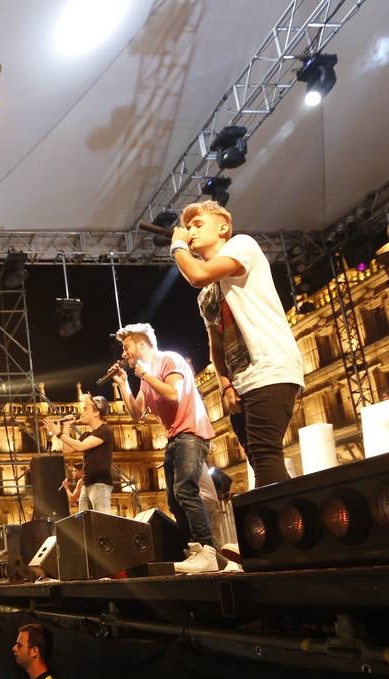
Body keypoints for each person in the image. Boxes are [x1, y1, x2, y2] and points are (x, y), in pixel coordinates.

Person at [169, 200, 304, 487]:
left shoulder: (243, 245)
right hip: (241, 380)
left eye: (198, 224)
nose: (190, 230)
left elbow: (196, 274)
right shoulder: (206, 295)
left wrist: (177, 248)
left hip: (270, 365)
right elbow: (215, 346)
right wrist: (225, 385)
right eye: (188, 226)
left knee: (265, 454)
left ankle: (276, 526)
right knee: (258, 459)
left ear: (223, 228)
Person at [113, 322, 224, 574]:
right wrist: (123, 384)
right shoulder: (145, 376)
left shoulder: (169, 360)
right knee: (174, 501)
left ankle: (207, 549)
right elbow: (136, 414)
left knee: (186, 490)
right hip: (174, 438)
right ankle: (193, 551)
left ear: (142, 343)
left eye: (126, 346)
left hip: (191, 433)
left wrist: (145, 376)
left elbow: (174, 394)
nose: (123, 353)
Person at [44, 394, 114, 513]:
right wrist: (66, 427)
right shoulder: (87, 434)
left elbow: (80, 446)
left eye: (85, 409)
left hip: (100, 484)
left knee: (102, 524)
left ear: (96, 413)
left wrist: (58, 433)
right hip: (86, 485)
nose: (82, 412)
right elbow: (67, 450)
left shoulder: (105, 431)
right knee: (85, 525)